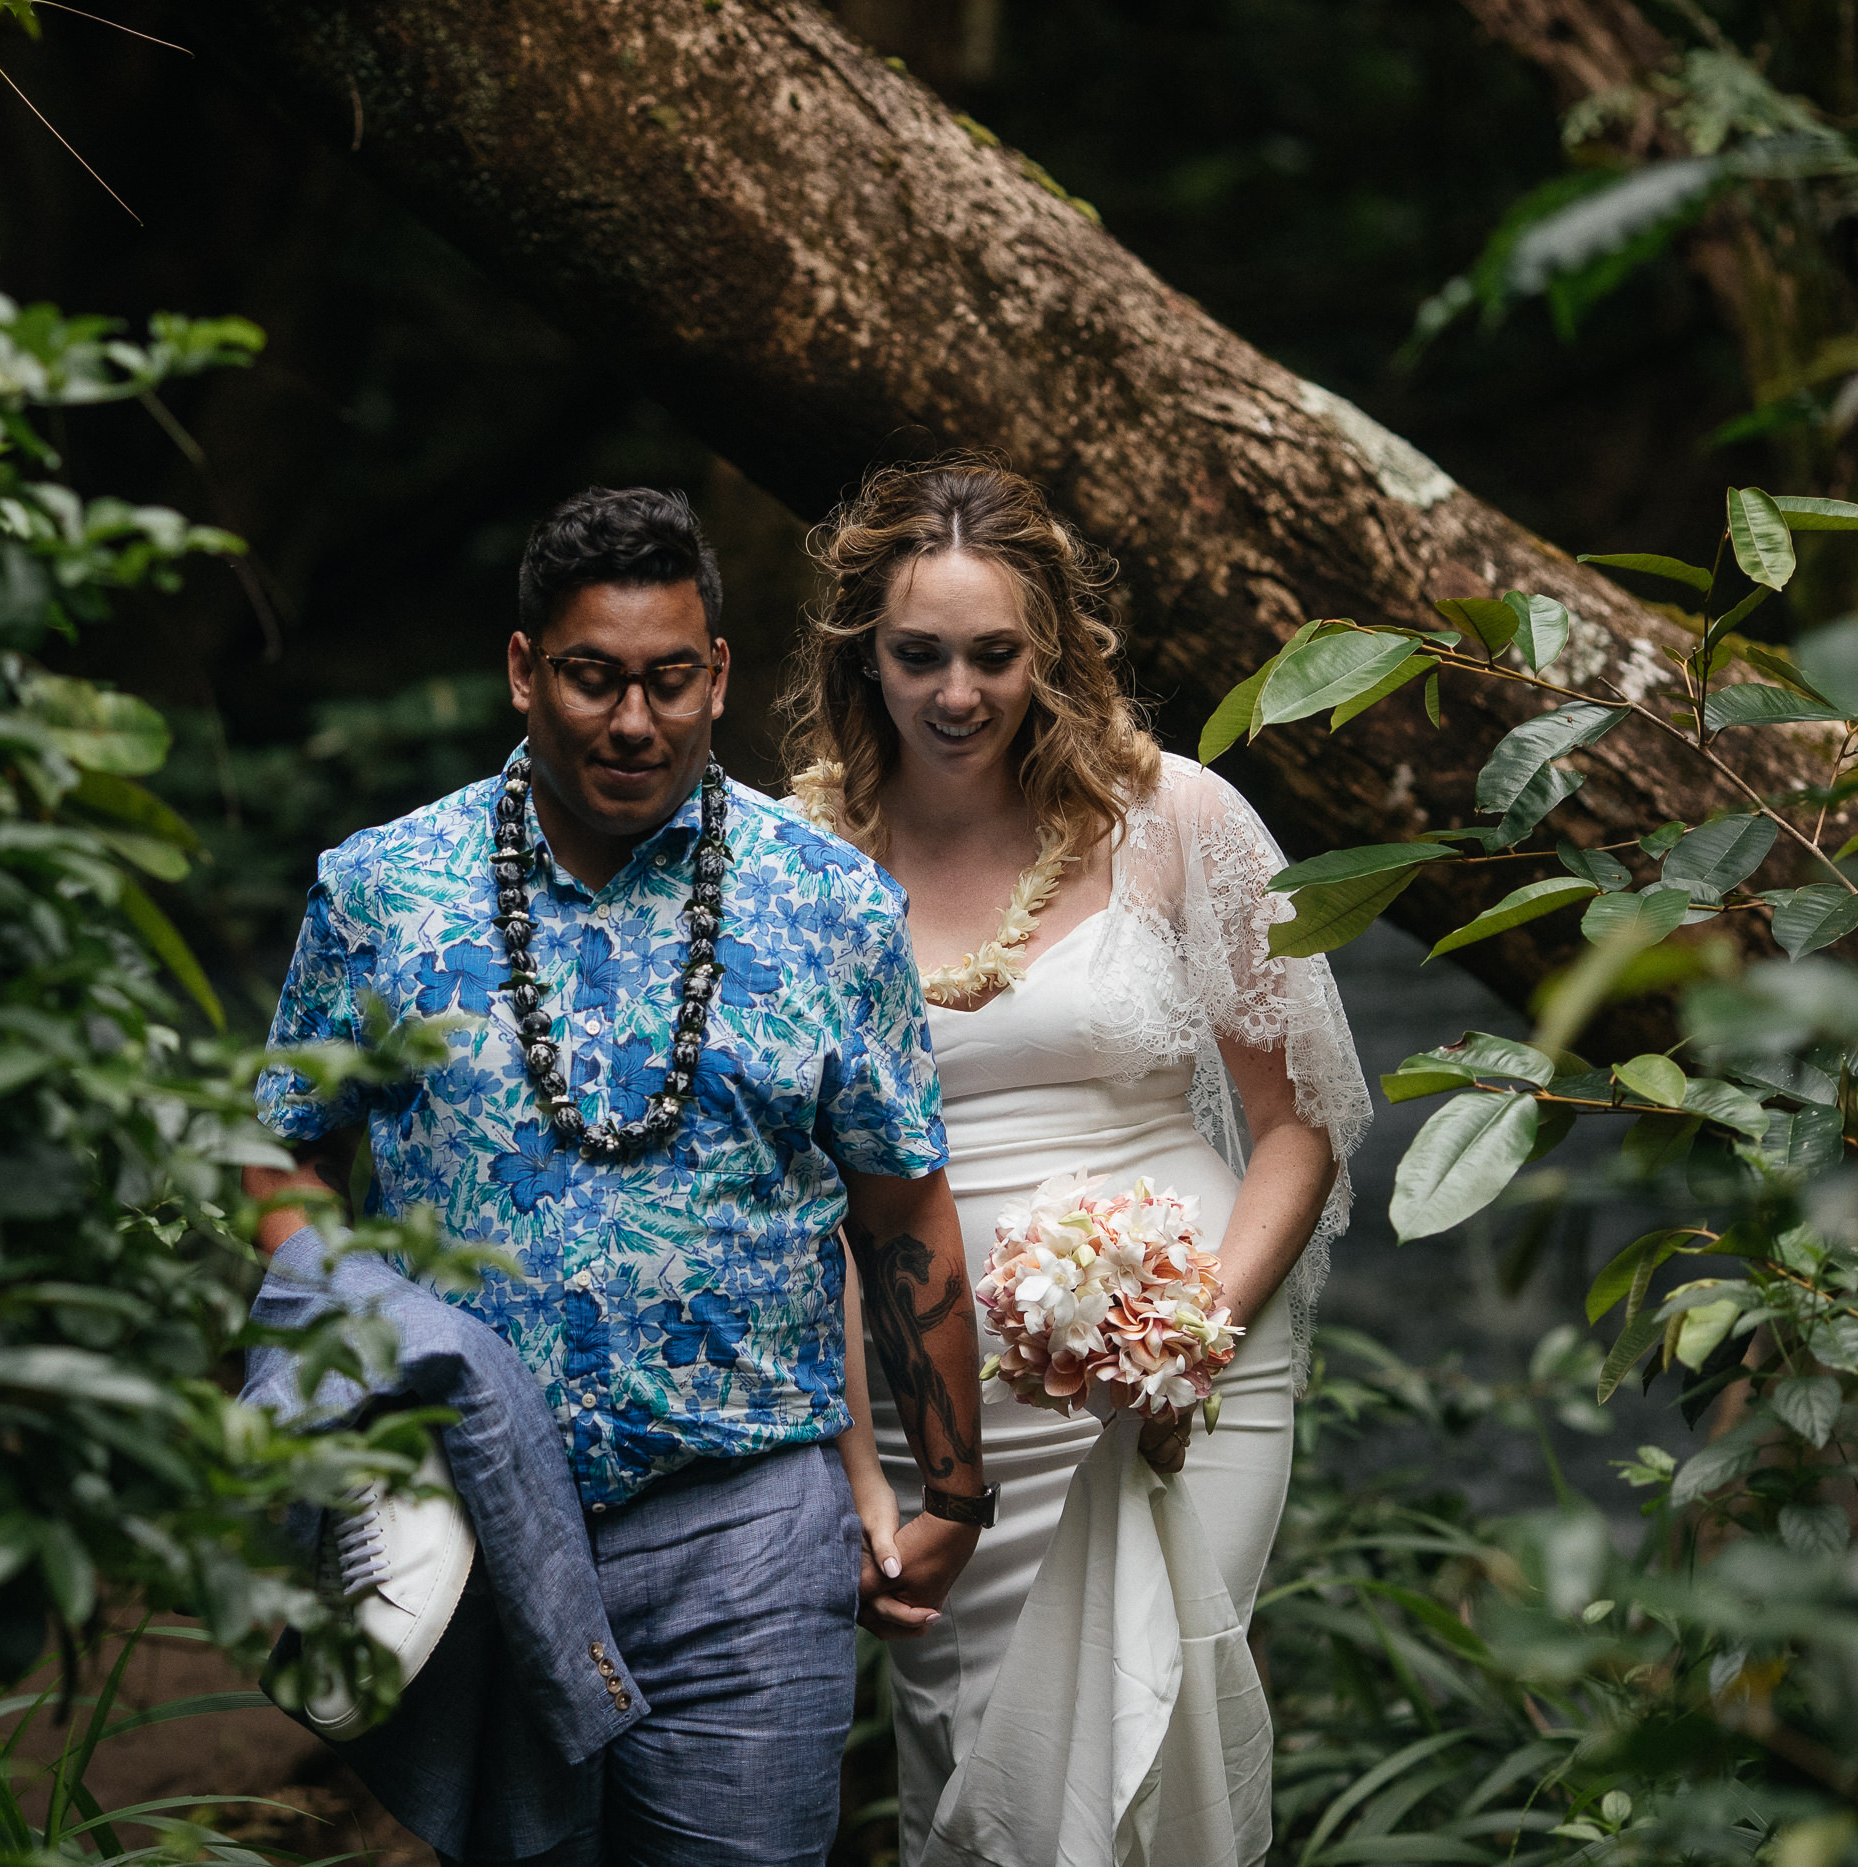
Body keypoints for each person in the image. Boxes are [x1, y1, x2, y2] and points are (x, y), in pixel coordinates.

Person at [245, 485, 988, 1867]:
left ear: (718, 675)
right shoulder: (383, 890)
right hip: (468, 1531)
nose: (633, 722)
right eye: (593, 679)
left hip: (749, 1528)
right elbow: (286, 1154)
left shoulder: (829, 907)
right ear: (526, 670)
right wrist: (373, 1339)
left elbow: (902, 1208)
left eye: (666, 681)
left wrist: (952, 1492)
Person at [786, 460, 1370, 1867]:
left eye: (994, 655)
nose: (957, 694)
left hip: (1188, 1377)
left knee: (1144, 1740)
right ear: (863, 651)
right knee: (984, 1765)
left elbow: (1299, 1121)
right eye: (919, 655)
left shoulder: (1176, 818)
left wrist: (1197, 1335)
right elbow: (797, 1192)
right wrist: (870, 1467)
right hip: (945, 1407)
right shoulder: (797, 858)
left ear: (1050, 645)